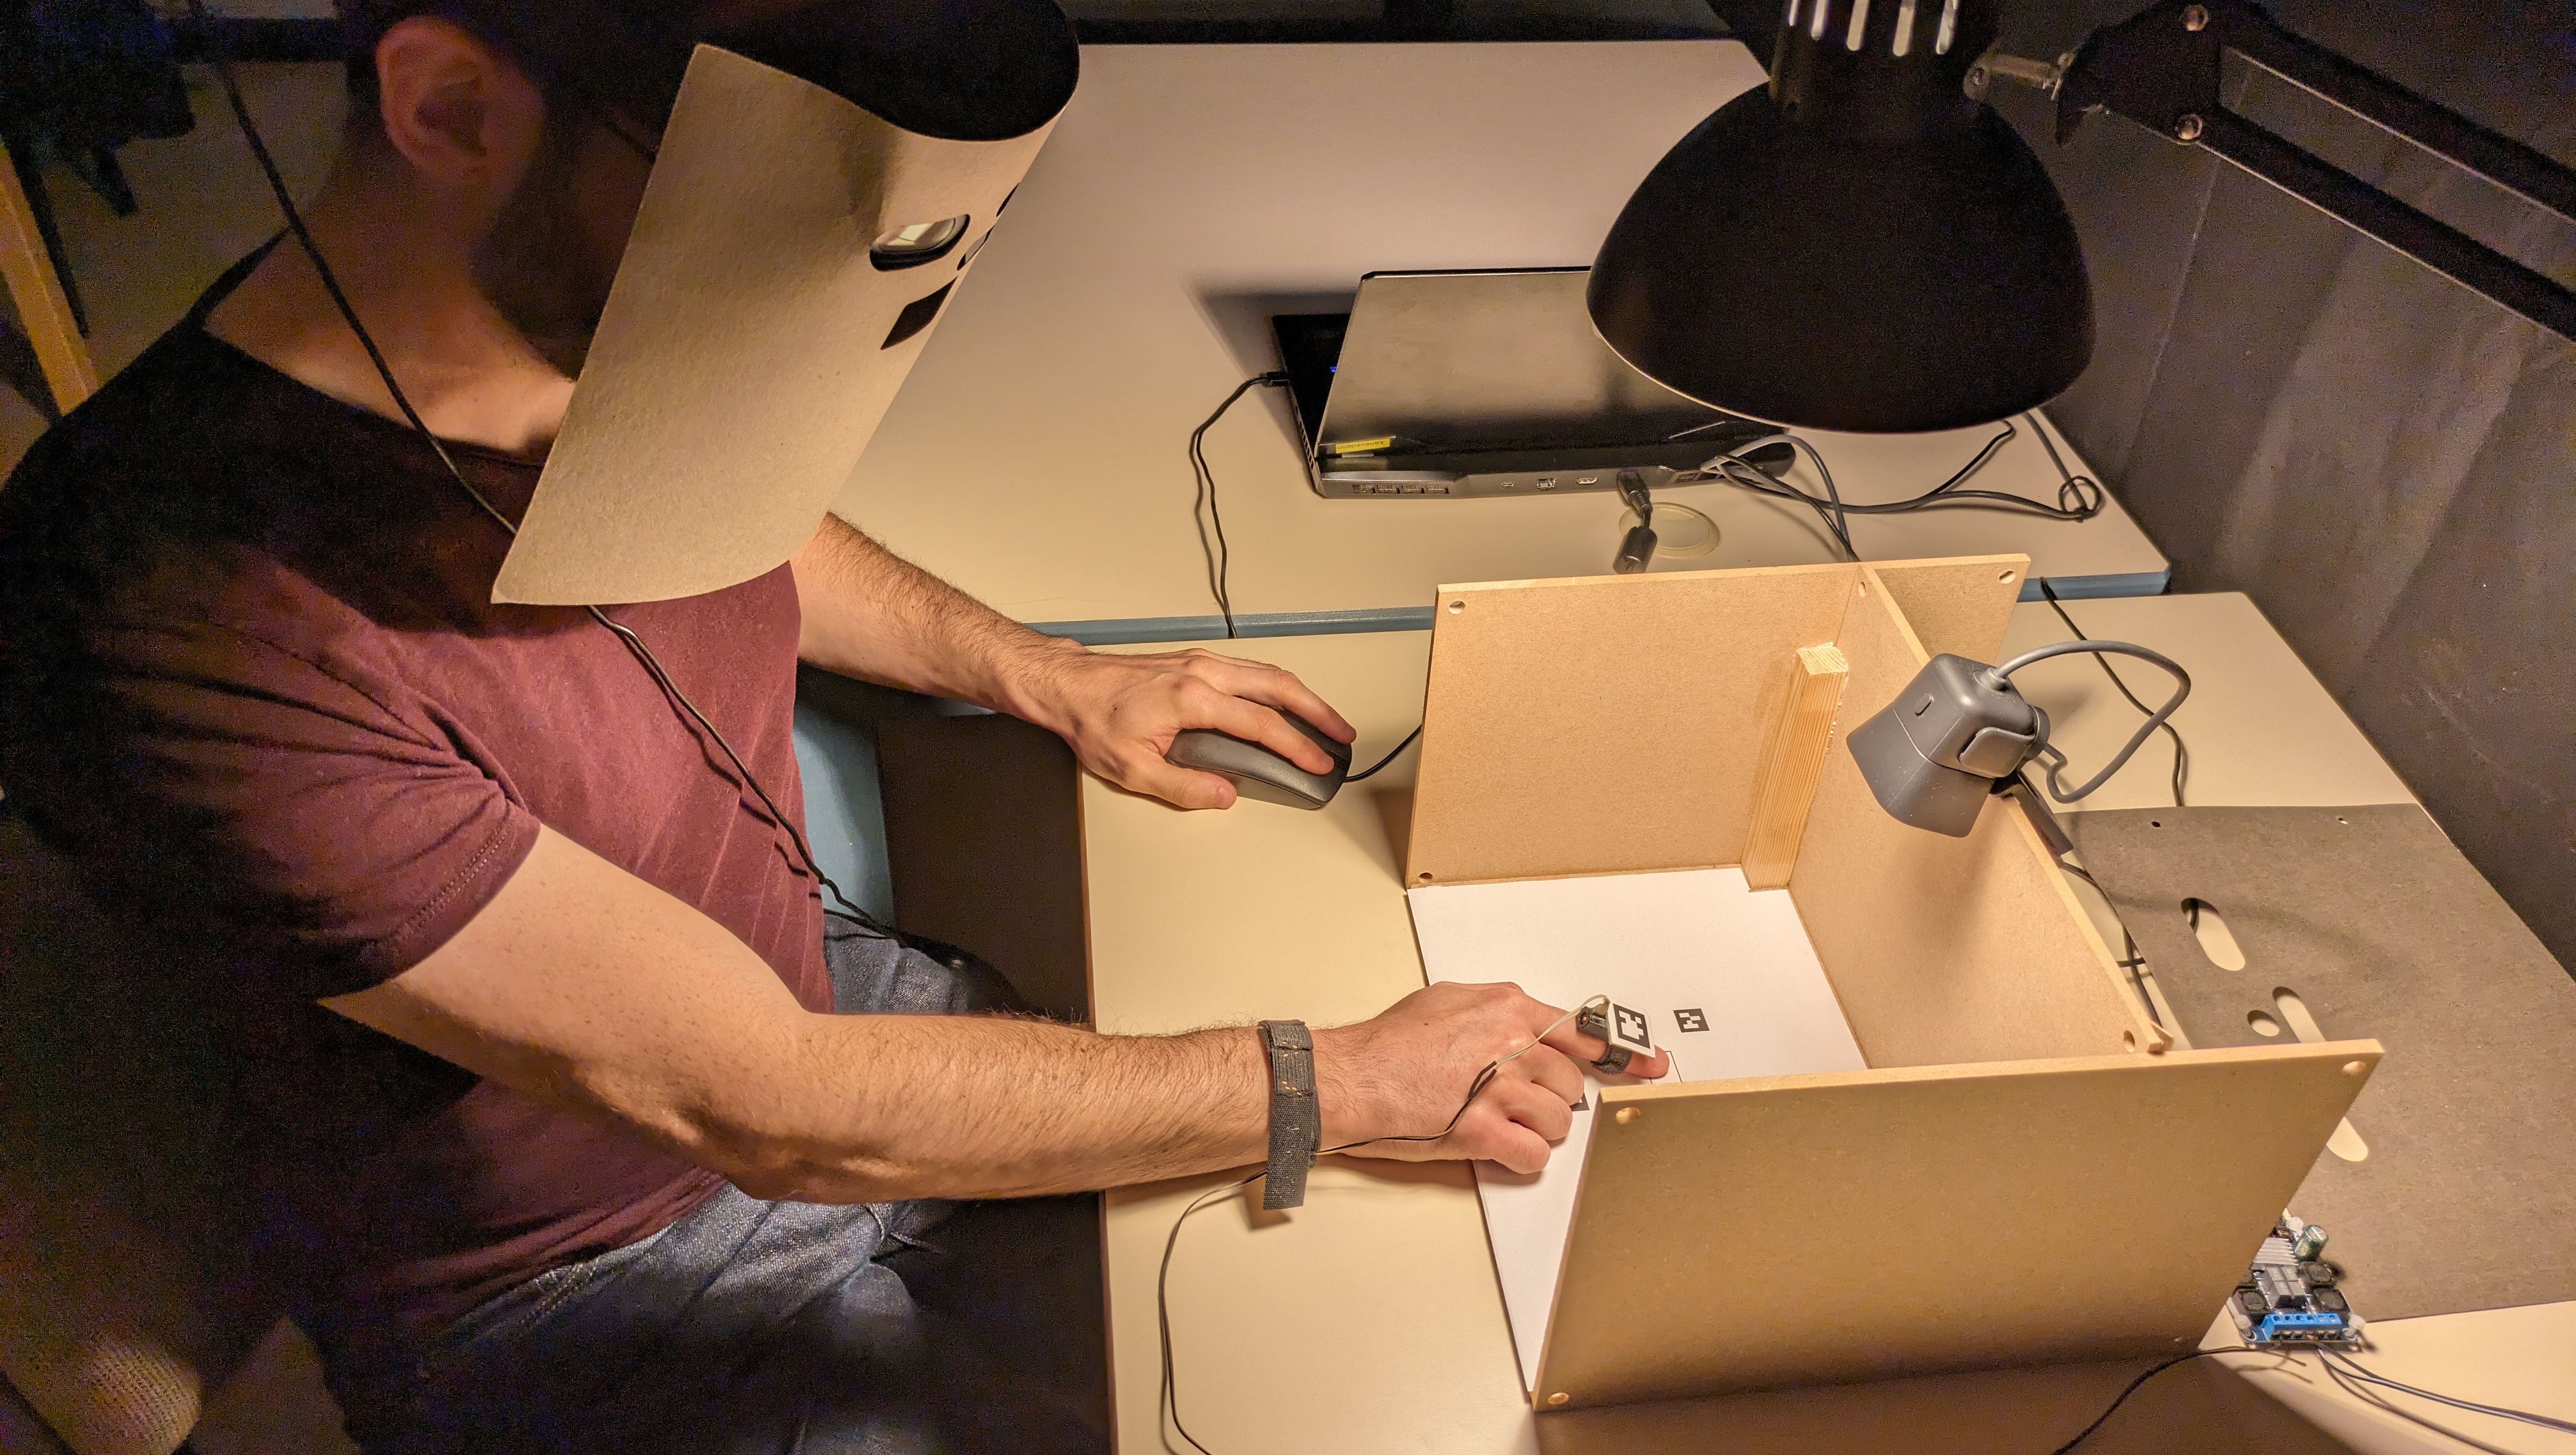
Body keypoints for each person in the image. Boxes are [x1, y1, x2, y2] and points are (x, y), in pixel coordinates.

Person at [0, 3, 1665, 1451]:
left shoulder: (569, 331)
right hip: (589, 1270)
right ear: (450, 108)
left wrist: (1038, 668)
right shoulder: (162, 607)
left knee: (1380, 1300)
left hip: (811, 999)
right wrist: (1338, 1078)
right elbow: (767, 1103)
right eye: (780, 218)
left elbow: (742, 502)